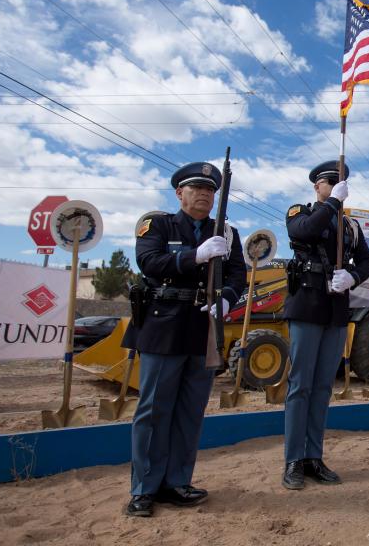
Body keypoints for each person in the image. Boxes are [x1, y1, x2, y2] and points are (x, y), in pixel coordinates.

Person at [122, 162, 247, 517]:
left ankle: (177, 482)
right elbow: (149, 261)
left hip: (202, 328)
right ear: (180, 193)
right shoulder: (158, 224)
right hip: (164, 325)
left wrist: (226, 298)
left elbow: (238, 273)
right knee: (153, 410)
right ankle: (144, 489)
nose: (205, 195)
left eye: (211, 190)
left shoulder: (228, 232)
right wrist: (195, 255)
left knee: (190, 411)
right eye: (197, 188)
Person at [281, 160, 369, 490]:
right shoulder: (300, 211)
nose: (334, 186)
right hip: (306, 304)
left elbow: (365, 260)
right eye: (328, 183)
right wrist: (333, 202)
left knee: (322, 388)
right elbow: (302, 232)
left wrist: (353, 277)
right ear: (316, 186)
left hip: (335, 308)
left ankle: (313, 457)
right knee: (300, 386)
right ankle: (293, 459)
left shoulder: (351, 227)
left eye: (339, 184)